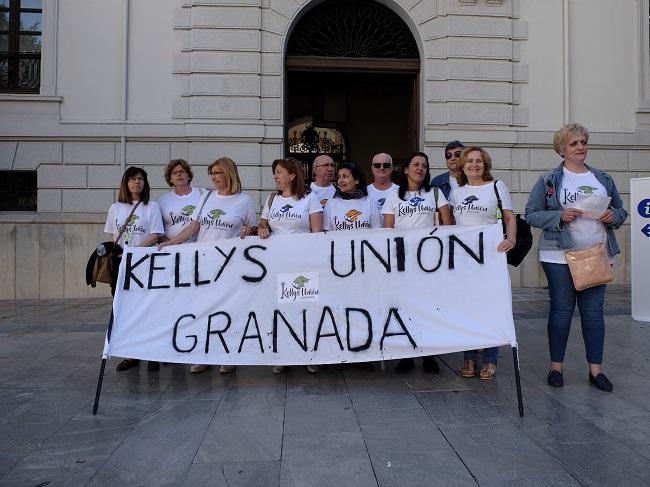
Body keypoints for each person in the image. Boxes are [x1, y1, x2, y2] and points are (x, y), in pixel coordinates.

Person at [525, 123, 627, 392]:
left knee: (594, 314)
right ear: (561, 149)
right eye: (574, 144)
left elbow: (621, 212)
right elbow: (532, 213)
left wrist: (613, 216)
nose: (580, 147)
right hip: (559, 255)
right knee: (561, 310)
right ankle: (555, 367)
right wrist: (558, 216)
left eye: (583, 142)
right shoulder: (549, 180)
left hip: (596, 254)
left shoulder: (602, 178)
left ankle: (596, 370)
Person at [159, 156, 257, 374]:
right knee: (202, 309)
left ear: (229, 173)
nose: (213, 177)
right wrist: (172, 242)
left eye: (218, 173)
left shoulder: (245, 201)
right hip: (203, 263)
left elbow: (253, 227)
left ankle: (228, 354)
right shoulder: (206, 197)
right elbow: (193, 227)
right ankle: (204, 354)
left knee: (228, 309)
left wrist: (249, 231)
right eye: (211, 173)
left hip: (230, 265)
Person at [382, 152, 453, 374]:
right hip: (403, 261)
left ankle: (429, 354)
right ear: (405, 169)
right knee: (405, 306)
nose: (420, 168)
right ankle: (407, 354)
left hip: (430, 260)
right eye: (415, 164)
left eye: (424, 165)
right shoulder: (393, 197)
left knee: (428, 306)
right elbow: (387, 231)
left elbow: (448, 224)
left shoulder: (435, 193)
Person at [449, 147, 516, 381]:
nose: (474, 165)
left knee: (490, 308)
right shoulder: (457, 192)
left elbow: (508, 216)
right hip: (465, 260)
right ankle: (469, 358)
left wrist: (511, 239)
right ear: (462, 165)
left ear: (485, 164)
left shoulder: (497, 186)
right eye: (469, 161)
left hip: (491, 257)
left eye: (479, 161)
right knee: (468, 309)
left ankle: (490, 359)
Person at [258, 158, 324, 374]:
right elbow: (263, 223)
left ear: (292, 175)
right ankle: (284, 354)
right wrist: (262, 229)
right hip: (277, 264)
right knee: (281, 308)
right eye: (274, 172)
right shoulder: (272, 199)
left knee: (306, 308)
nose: (275, 176)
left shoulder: (309, 198)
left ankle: (309, 353)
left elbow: (317, 232)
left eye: (278, 172)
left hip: (304, 263)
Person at [105, 166, 164, 372]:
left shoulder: (152, 207)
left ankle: (152, 354)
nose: (137, 182)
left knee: (149, 308)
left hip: (146, 262)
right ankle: (132, 353)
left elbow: (155, 234)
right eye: (132, 179)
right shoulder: (116, 208)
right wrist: (123, 254)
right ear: (126, 183)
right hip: (122, 264)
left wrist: (136, 251)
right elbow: (114, 236)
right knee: (126, 309)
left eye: (141, 179)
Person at [323, 162, 381, 231]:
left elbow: (377, 232)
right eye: (339, 177)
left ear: (356, 180)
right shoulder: (331, 203)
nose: (340, 181)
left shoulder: (369, 202)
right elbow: (327, 232)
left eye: (345, 176)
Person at [158, 159, 204, 242]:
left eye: (182, 171)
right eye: (174, 173)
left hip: (198, 248)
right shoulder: (162, 200)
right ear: (170, 179)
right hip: (173, 250)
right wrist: (170, 245)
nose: (179, 174)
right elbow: (159, 231)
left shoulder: (202, 194)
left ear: (188, 176)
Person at [367, 152, 398, 224]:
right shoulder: (365, 192)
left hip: (393, 234)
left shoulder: (400, 191)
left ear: (392, 168)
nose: (381, 168)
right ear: (372, 168)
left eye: (386, 165)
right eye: (377, 165)